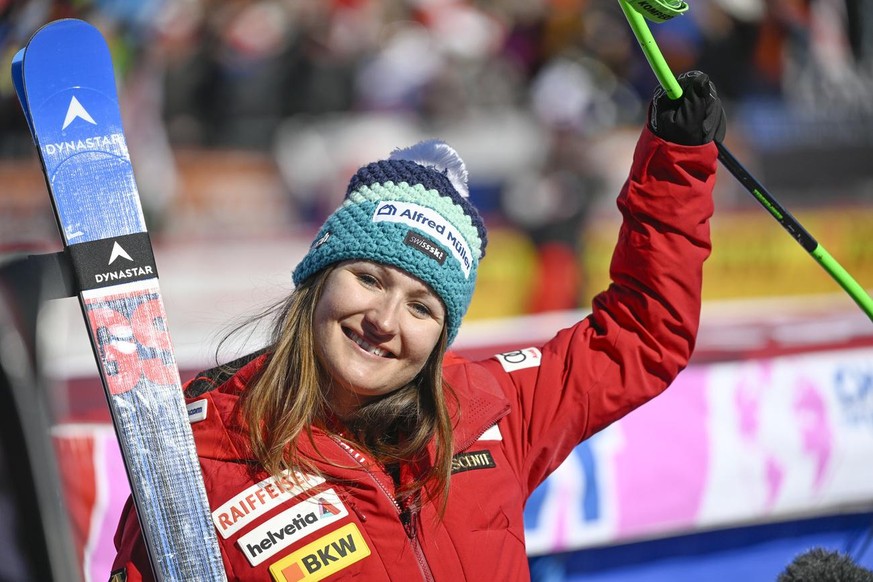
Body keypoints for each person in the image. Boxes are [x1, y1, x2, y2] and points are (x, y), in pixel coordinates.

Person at [112, 70, 725, 581]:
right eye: (370, 280)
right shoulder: (203, 451)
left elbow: (640, 338)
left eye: (422, 307)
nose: (384, 321)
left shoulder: (486, 413)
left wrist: (676, 166)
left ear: (443, 331)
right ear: (318, 275)